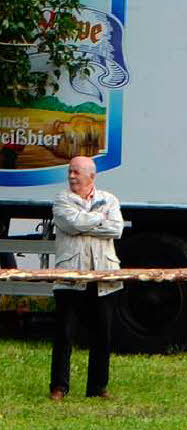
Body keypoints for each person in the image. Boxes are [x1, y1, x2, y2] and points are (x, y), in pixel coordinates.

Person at [49, 155, 124, 400]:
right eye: (69, 172)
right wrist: (100, 218)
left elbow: (117, 229)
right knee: (64, 334)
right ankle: (59, 388)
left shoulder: (109, 199)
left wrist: (86, 223)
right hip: (70, 276)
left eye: (76, 172)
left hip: (104, 277)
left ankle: (98, 388)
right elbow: (71, 223)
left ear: (91, 176)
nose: (71, 176)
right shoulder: (61, 200)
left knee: (102, 335)